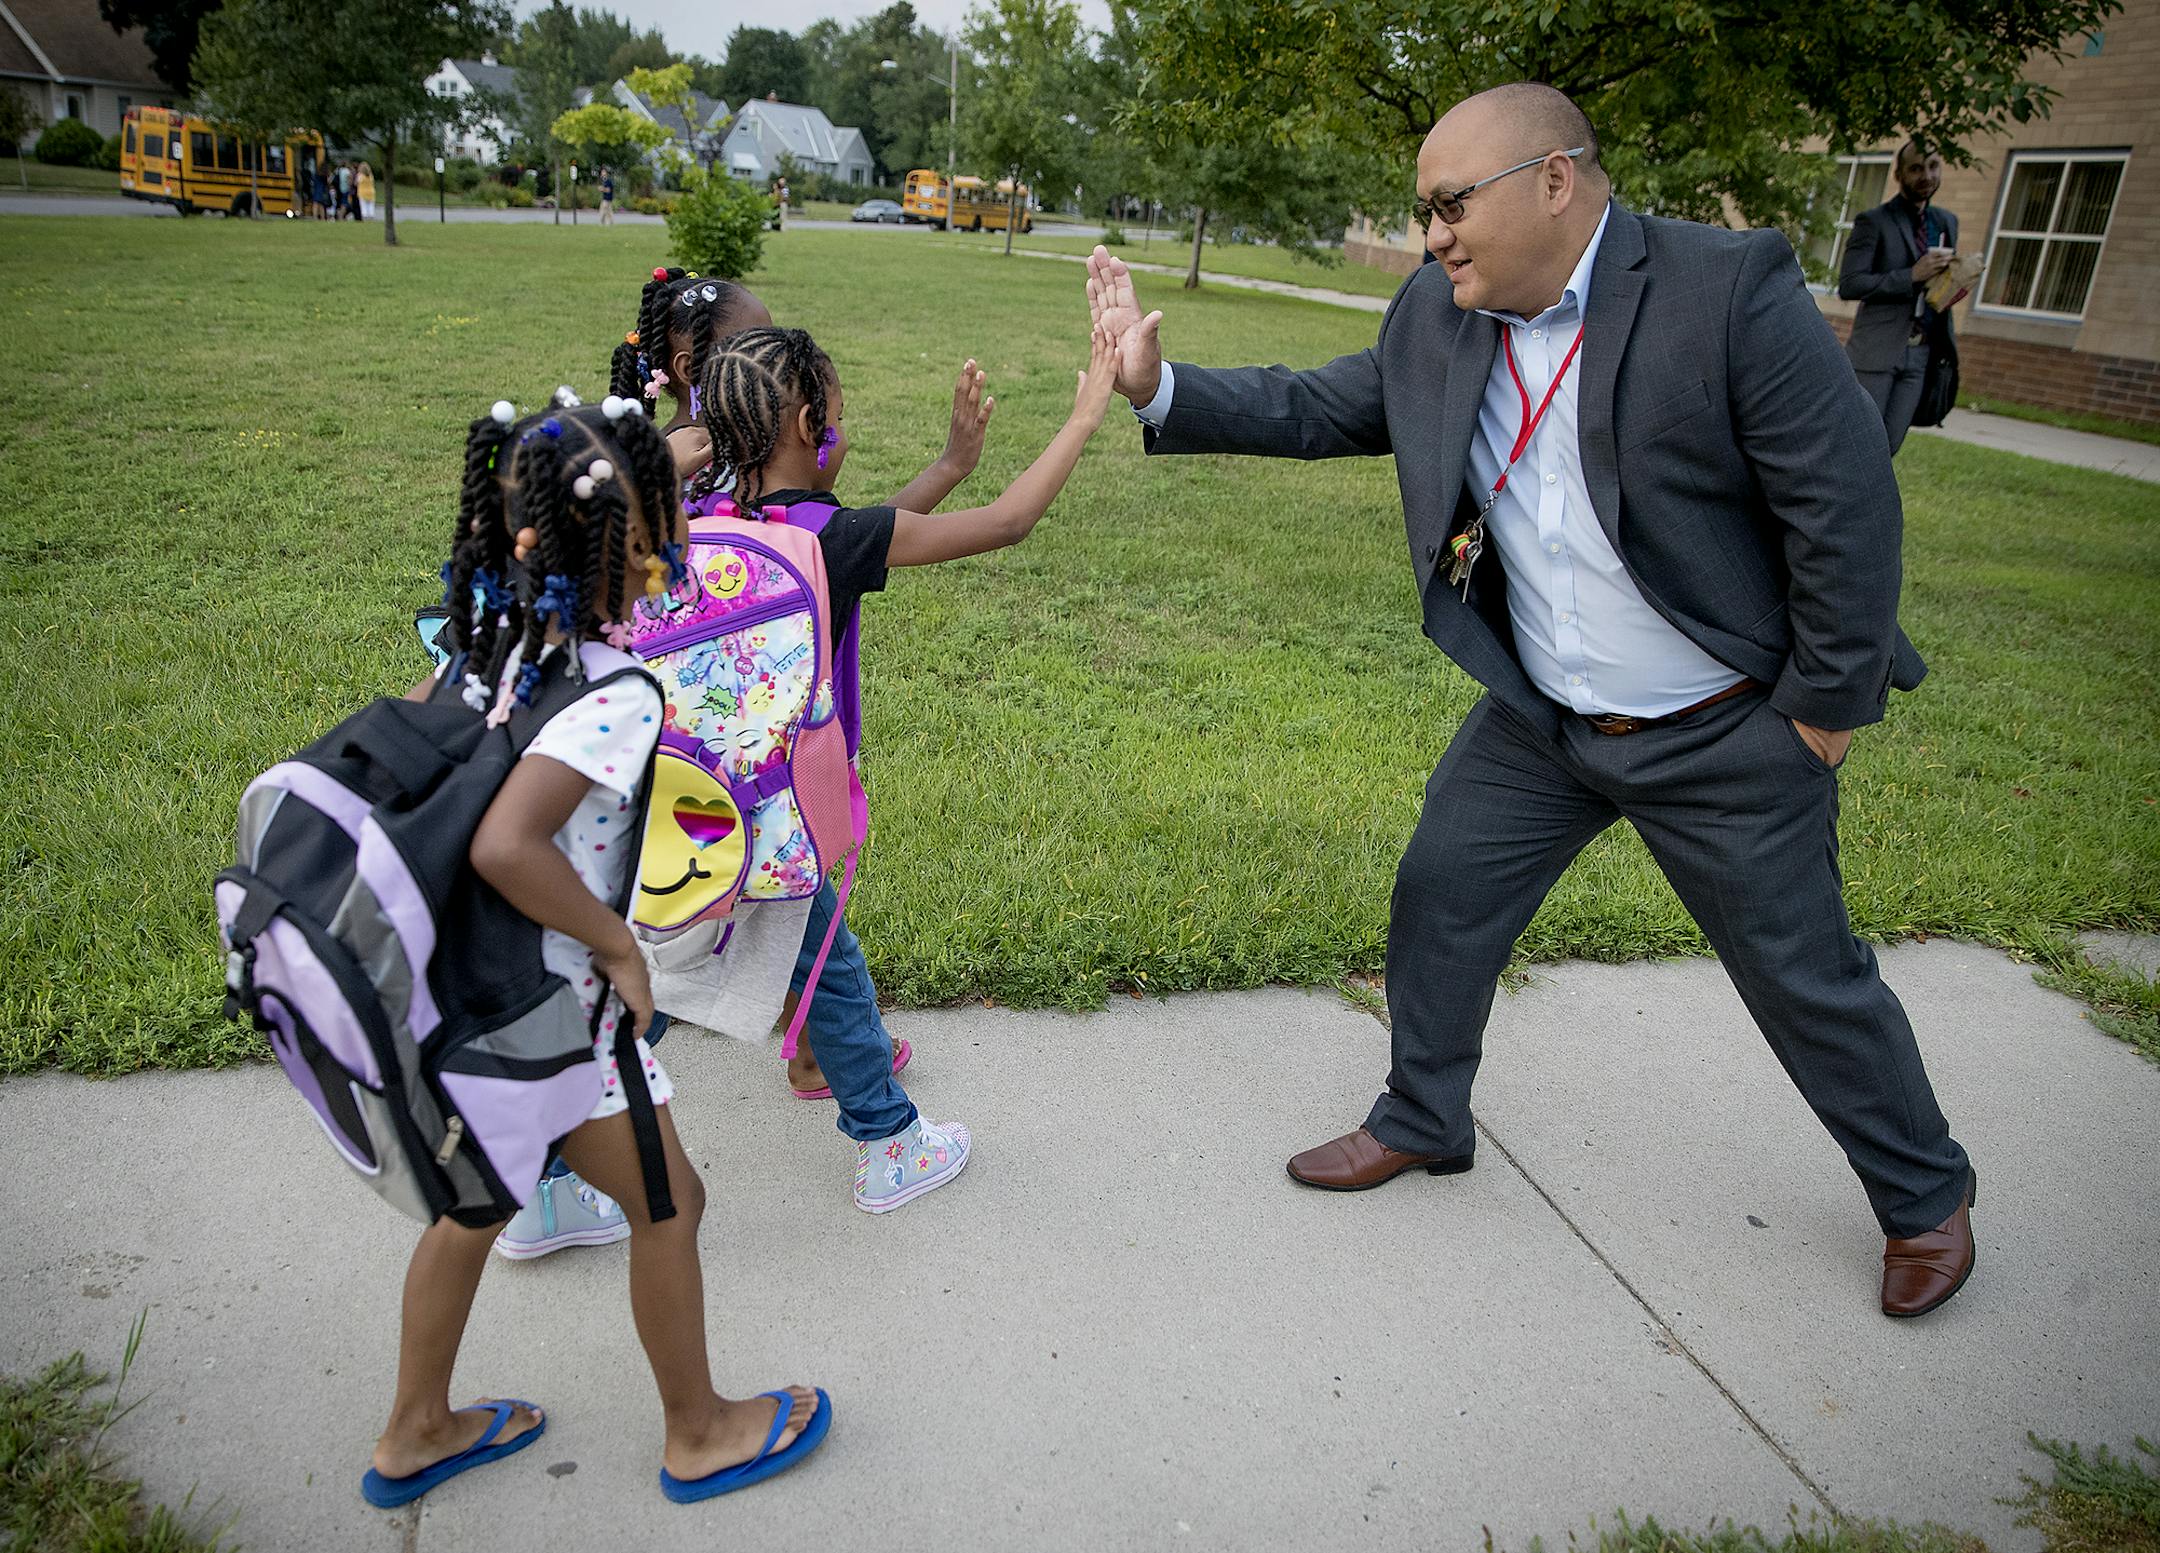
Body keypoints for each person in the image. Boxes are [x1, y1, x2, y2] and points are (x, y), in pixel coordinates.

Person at [1085, 82, 1977, 1319]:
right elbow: (1327, 406)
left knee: (1802, 973)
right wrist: (1158, 386)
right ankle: (1424, 1115)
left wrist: (1818, 715)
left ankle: (1926, 1196)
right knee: (1442, 894)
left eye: (1452, 205)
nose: (1433, 234)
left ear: (1555, 179)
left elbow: (1846, 510)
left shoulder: (1724, 290)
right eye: (1422, 213)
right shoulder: (1440, 312)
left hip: (1722, 727)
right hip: (1543, 714)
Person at [366, 396, 828, 1509]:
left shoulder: (487, 639)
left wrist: (681, 432)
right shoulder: (609, 693)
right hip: (562, 1018)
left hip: (467, 994)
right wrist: (616, 942)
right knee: (673, 1204)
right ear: (626, 551)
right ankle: (701, 1429)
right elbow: (508, 840)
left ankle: (416, 1429)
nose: (675, 543)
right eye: (659, 527)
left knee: (472, 1206)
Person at [678, 321, 1115, 1212]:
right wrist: (1082, 417)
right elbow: (1009, 523)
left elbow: (871, 532)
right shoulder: (824, 540)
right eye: (839, 417)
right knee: (822, 956)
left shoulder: (699, 519)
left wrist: (951, 462)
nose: (845, 431)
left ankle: (558, 1164)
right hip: (783, 810)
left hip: (694, 801)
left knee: (659, 975)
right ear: (810, 425)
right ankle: (890, 1139)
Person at [1840, 138, 1961, 455]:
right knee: (1858, 441)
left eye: (1933, 167)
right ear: (1899, 174)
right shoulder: (1873, 222)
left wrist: (1957, 282)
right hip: (1877, 350)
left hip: (1921, 352)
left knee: (1890, 444)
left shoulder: (1946, 223)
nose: (1926, 176)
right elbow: (1850, 284)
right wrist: (1910, 275)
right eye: (1916, 168)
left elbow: (1937, 289)